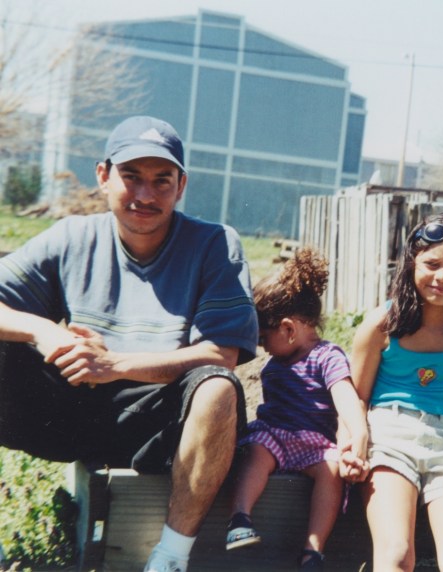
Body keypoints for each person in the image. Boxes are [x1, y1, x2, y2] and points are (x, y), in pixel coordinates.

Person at [0, 116, 258, 572]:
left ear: (181, 186)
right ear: (103, 176)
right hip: (70, 407)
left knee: (217, 387)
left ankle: (170, 558)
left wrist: (115, 363)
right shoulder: (72, 236)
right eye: (131, 177)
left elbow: (221, 354)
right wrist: (45, 331)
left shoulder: (215, 244)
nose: (145, 195)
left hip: (157, 423)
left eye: (162, 181)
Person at [349, 212, 443, 572]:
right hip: (389, 439)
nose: (442, 277)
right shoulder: (382, 324)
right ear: (411, 263)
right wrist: (354, 443)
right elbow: (355, 396)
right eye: (431, 263)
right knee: (397, 554)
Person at [225, 248, 368, 569]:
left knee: (331, 472)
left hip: (314, 445)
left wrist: (358, 434)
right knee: (257, 452)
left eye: (264, 338)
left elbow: (345, 396)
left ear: (288, 330)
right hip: (274, 436)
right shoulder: (276, 364)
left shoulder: (327, 357)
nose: (261, 347)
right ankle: (240, 518)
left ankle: (313, 549)